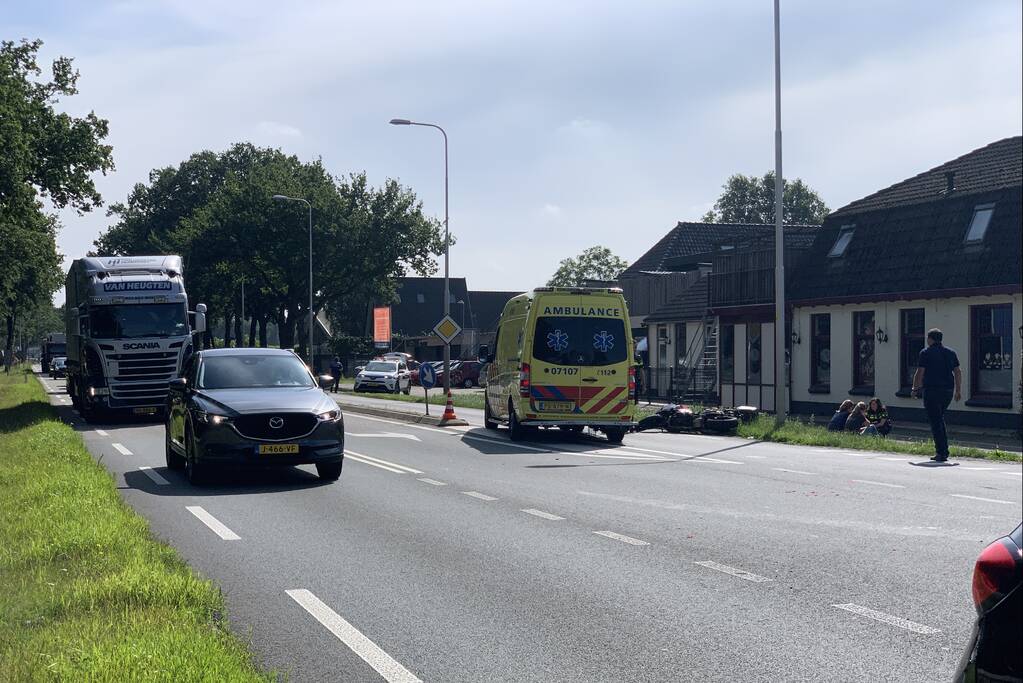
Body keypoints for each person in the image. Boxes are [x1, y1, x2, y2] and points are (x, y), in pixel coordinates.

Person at [912, 328, 961, 462]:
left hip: (932, 390)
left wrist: (915, 389)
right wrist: (958, 390)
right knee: (939, 418)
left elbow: (920, 372)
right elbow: (957, 371)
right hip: (948, 391)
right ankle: (943, 450)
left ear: (930, 339)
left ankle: (942, 452)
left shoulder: (926, 353)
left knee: (936, 421)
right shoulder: (951, 353)